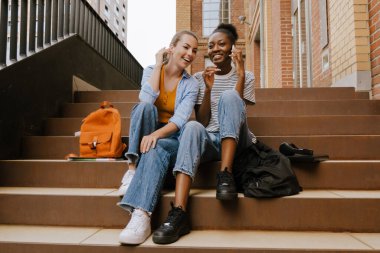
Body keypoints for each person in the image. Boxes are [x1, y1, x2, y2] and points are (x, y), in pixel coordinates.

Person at [151, 23, 256, 245]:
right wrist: (208, 89)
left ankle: (225, 175)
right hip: (210, 140)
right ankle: (179, 213)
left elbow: (237, 115)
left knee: (229, 97)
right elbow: (203, 121)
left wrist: (240, 75)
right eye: (210, 45)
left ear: (232, 48)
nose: (215, 48)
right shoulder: (199, 78)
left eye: (221, 44)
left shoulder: (246, 75)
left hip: (238, 140)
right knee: (191, 127)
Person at [117, 30, 199, 245]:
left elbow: (180, 120)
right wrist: (158, 64)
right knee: (144, 108)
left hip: (171, 136)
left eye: (194, 50)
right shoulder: (151, 71)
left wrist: (156, 135)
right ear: (171, 48)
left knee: (157, 146)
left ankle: (141, 216)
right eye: (186, 47)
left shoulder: (191, 84)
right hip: (147, 128)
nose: (190, 54)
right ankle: (132, 168)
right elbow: (145, 98)